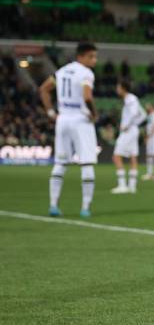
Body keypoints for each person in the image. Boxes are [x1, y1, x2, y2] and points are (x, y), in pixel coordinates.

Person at [39, 41, 98, 218]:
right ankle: (85, 207)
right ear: (81, 56)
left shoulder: (62, 71)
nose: (94, 60)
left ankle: (53, 205)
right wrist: (94, 113)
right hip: (80, 120)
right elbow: (87, 96)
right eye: (91, 56)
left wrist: (51, 113)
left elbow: (43, 89)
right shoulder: (86, 73)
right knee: (87, 163)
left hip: (63, 119)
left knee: (60, 163)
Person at [111, 80, 146, 194]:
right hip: (133, 130)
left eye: (118, 87)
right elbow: (143, 115)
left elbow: (134, 113)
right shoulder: (132, 98)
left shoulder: (130, 99)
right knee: (133, 156)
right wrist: (135, 124)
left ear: (123, 88)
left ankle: (122, 186)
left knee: (116, 156)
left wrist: (127, 125)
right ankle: (132, 186)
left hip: (128, 131)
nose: (117, 89)